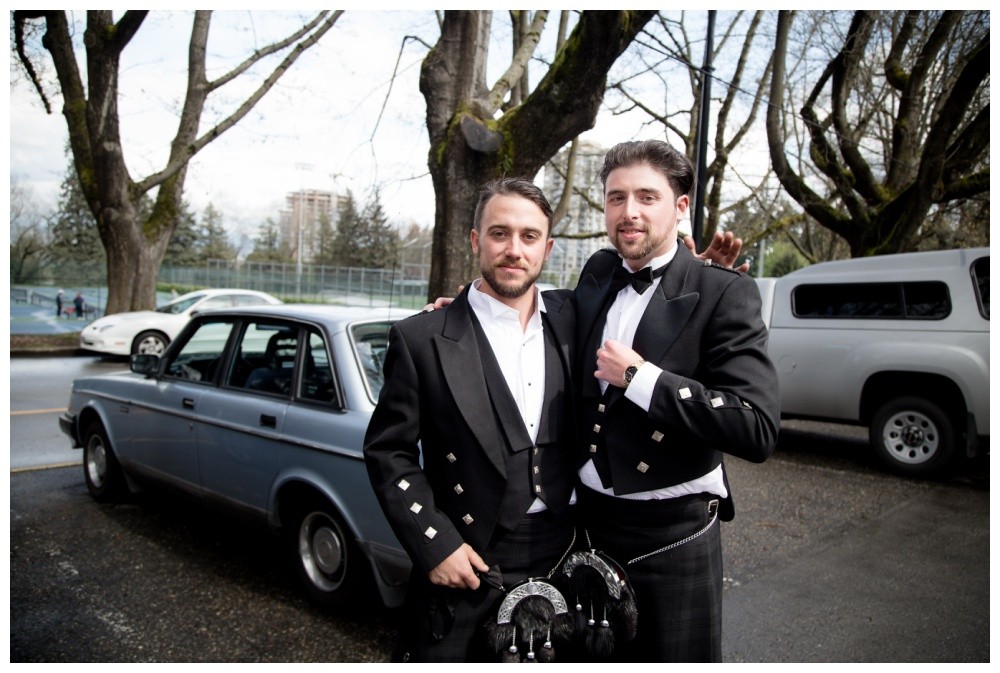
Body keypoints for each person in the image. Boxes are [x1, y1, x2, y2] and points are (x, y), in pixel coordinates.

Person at [574, 139, 780, 662]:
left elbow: (756, 428)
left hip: (673, 533)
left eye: (647, 197)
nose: (630, 212)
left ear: (680, 206)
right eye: (616, 198)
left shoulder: (725, 292)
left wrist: (641, 377)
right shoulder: (598, 273)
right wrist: (468, 304)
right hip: (586, 525)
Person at [364, 178, 580, 662]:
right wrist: (434, 544)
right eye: (499, 233)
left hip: (564, 553)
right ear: (474, 239)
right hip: (469, 556)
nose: (513, 250)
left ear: (547, 247)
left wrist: (700, 270)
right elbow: (387, 452)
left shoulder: (574, 317)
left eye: (529, 237)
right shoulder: (422, 337)